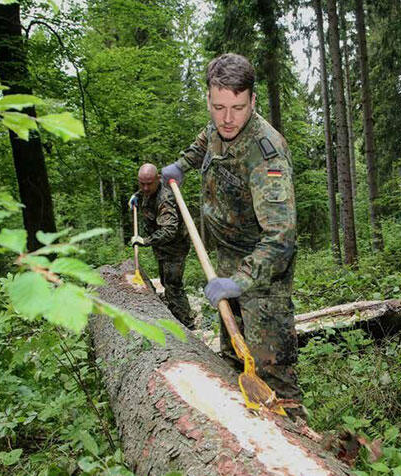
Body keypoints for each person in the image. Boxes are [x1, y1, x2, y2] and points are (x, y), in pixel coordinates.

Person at [160, 53, 303, 414]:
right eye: (218, 106)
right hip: (226, 258)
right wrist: (182, 164)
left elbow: (281, 239)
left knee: (273, 375)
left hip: (263, 273)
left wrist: (239, 282)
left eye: (237, 108)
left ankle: (300, 444)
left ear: (252, 101)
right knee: (231, 356)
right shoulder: (217, 126)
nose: (227, 118)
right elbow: (203, 142)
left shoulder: (265, 154)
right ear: (209, 99)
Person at [129, 163, 194, 329]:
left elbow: (169, 231)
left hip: (174, 247)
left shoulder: (165, 199)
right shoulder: (148, 190)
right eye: (141, 183)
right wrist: (137, 195)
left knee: (173, 286)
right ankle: (175, 319)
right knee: (166, 282)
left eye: (148, 183)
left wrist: (145, 241)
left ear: (158, 179)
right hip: (162, 247)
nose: (144, 187)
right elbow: (144, 191)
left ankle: (186, 325)